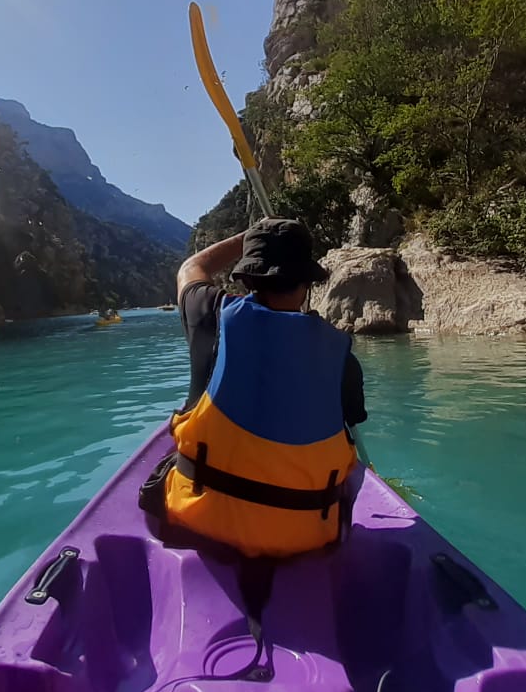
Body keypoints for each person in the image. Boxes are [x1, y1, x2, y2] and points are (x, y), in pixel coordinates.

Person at [153, 217, 367, 559]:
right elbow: (351, 422)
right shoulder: (343, 358)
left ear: (247, 279)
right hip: (307, 536)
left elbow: (193, 266)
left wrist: (249, 234)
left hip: (202, 522)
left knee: (168, 457)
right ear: (307, 284)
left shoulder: (212, 315)